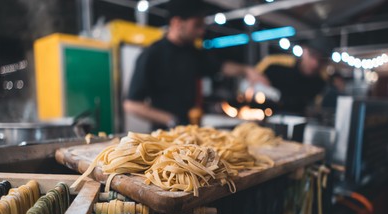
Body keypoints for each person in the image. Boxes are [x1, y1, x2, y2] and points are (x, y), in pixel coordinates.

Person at [125, 0, 269, 129]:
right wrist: (171, 120)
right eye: (197, 25)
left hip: (192, 132)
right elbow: (132, 105)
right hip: (164, 136)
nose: (201, 31)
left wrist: (248, 71)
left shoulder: (193, 53)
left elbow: (222, 66)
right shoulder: (152, 55)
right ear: (177, 23)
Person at [256, 36, 333, 116]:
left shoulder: (321, 82)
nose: (315, 63)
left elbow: (315, 108)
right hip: (261, 116)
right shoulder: (275, 64)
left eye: (322, 60)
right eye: (312, 55)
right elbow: (251, 76)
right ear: (304, 50)